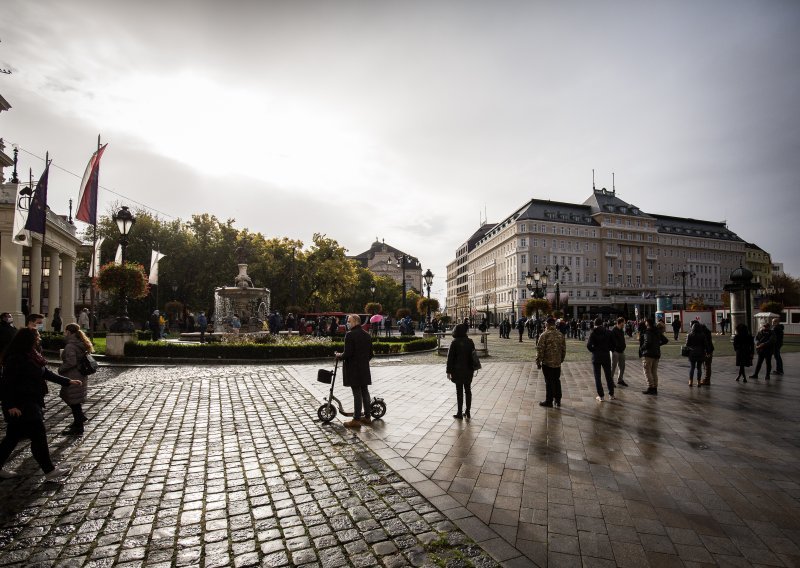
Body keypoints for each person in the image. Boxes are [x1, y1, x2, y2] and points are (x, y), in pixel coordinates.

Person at [0, 328, 81, 480]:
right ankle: (49, 471)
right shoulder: (16, 358)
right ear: (28, 340)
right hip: (21, 405)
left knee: (11, 439)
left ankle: (49, 470)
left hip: (31, 401)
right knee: (38, 437)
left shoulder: (32, 355)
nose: (39, 339)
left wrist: (67, 381)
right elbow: (6, 384)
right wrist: (11, 405)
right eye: (36, 337)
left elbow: (45, 373)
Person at [335, 315, 373, 428]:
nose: (347, 323)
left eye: (349, 321)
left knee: (357, 394)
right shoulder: (367, 335)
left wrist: (338, 355)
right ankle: (367, 417)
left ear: (355, 322)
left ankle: (356, 420)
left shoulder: (350, 335)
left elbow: (347, 354)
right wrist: (363, 361)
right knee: (365, 392)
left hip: (353, 369)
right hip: (364, 368)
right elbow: (371, 354)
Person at [58, 323, 93, 435]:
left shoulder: (70, 346)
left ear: (69, 332)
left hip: (73, 375)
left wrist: (60, 369)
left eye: (65, 331)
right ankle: (79, 419)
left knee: (73, 401)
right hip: (80, 374)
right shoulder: (80, 342)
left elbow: (71, 362)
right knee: (73, 400)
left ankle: (78, 425)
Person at [446, 323, 477, 419]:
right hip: (469, 369)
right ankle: (468, 411)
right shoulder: (470, 341)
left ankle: (459, 412)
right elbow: (473, 355)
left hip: (457, 370)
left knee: (459, 391)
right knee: (468, 390)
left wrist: (448, 371)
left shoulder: (454, 342)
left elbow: (450, 358)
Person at [536, 317, 566, 408]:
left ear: (547, 324)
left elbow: (540, 349)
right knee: (557, 380)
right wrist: (561, 359)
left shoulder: (544, 335)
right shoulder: (560, 334)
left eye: (545, 324)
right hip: (557, 362)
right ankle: (558, 399)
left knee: (549, 381)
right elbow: (563, 349)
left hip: (547, 362)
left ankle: (549, 401)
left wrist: (538, 362)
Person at [587, 317, 615, 402]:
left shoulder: (593, 333)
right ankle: (611, 394)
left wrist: (594, 350)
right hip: (606, 355)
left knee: (597, 377)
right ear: (602, 323)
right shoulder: (608, 332)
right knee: (608, 375)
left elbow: (588, 345)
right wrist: (609, 349)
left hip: (596, 356)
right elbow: (613, 344)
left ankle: (601, 395)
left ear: (595, 324)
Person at [639, 318, 668, 395]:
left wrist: (642, 348)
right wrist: (658, 345)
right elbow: (665, 340)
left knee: (647, 371)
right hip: (656, 354)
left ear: (648, 323)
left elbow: (647, 342)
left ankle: (650, 387)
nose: (645, 323)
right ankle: (655, 388)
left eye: (645, 321)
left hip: (648, 354)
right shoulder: (657, 331)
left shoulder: (647, 332)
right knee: (654, 371)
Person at [685, 321, 709, 387]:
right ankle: (698, 382)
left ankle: (690, 381)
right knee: (699, 368)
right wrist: (707, 352)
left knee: (692, 367)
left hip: (692, 353)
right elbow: (706, 345)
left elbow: (687, 345)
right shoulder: (702, 335)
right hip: (701, 353)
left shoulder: (690, 335)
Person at [611, 317, 628, 387]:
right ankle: (610, 380)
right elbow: (612, 341)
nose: (624, 324)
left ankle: (620, 379)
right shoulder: (614, 330)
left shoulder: (621, 330)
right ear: (620, 323)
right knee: (613, 367)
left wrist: (624, 346)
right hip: (615, 351)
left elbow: (622, 340)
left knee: (622, 366)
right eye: (624, 322)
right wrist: (614, 348)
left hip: (621, 351)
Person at [699, 322, 715, 386]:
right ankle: (706, 379)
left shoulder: (703, 334)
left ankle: (707, 380)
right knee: (708, 365)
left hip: (707, 350)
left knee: (707, 365)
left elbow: (705, 343)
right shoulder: (708, 332)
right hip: (710, 350)